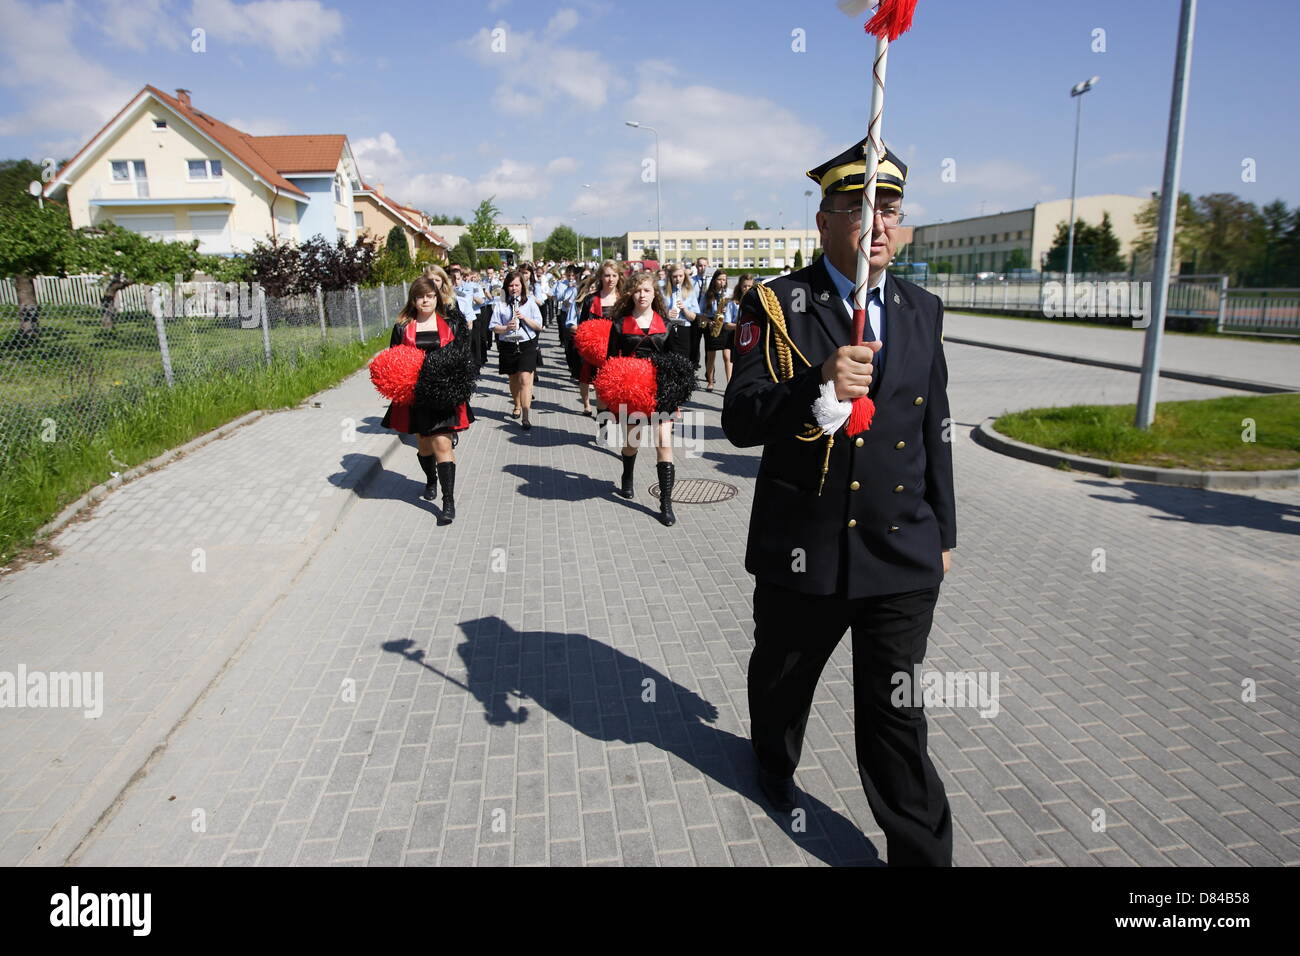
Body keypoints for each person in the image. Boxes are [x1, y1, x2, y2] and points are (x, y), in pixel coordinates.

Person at [721, 139, 956, 866]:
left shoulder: (922, 309)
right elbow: (740, 418)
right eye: (857, 208)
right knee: (784, 678)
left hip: (901, 552)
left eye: (888, 207)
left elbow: (932, 425)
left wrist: (943, 532)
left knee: (895, 714)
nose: (876, 224)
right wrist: (817, 382)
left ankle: (921, 854)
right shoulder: (777, 303)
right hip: (807, 545)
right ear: (823, 220)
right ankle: (772, 759)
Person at [379, 269, 474, 524]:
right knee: (424, 445)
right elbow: (393, 361)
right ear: (413, 300)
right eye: (421, 297)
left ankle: (448, 502)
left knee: (442, 443)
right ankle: (430, 479)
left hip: (443, 395)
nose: (426, 301)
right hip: (417, 397)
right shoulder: (402, 327)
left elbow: (463, 358)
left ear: (437, 298)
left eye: (430, 296)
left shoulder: (451, 324)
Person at [605, 271, 690, 527]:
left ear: (655, 294)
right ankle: (627, 475)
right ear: (631, 293)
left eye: (647, 290)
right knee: (633, 442)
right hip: (632, 394)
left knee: (664, 442)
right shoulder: (619, 325)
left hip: (661, 391)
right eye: (638, 290)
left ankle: (665, 504)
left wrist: (678, 397)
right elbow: (610, 363)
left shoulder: (666, 325)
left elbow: (678, 365)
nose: (642, 295)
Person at [489, 270, 544, 430]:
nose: (514, 288)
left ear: (522, 286)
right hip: (508, 344)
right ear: (506, 287)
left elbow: (538, 326)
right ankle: (517, 404)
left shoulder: (530, 303)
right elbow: (493, 327)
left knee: (525, 380)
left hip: (527, 344)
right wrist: (506, 327)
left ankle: (526, 417)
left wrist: (524, 318)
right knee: (513, 380)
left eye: (517, 285)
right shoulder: (501, 304)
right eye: (511, 285)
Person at [575, 259, 621, 420]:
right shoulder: (590, 300)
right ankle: (603, 426)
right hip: (597, 354)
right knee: (601, 391)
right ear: (601, 277)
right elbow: (582, 327)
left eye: (614, 275)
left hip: (620, 352)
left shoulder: (625, 299)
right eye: (607, 275)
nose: (611, 279)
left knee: (617, 391)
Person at [660, 264, 699, 369]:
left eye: (681, 276)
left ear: (684, 276)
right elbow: (656, 312)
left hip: (684, 329)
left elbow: (694, 317)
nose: (678, 279)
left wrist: (684, 309)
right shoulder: (663, 291)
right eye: (675, 276)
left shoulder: (690, 292)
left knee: (684, 362)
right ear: (670, 277)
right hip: (667, 329)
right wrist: (666, 314)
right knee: (667, 362)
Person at [698, 269, 730, 392]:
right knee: (711, 356)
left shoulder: (728, 293)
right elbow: (700, 313)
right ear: (714, 280)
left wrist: (728, 309)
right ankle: (710, 381)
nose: (722, 282)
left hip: (725, 324)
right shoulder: (707, 295)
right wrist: (709, 321)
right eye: (719, 279)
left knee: (727, 356)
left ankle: (729, 383)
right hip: (712, 323)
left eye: (724, 279)